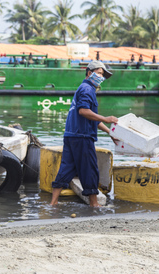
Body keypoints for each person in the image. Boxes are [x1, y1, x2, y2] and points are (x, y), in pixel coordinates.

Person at [50, 60, 119, 207]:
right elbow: (84, 111)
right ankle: (94, 204)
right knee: (89, 169)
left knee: (67, 168)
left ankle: (53, 203)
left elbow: (91, 118)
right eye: (99, 73)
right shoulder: (87, 89)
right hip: (82, 136)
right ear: (89, 73)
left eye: (103, 75)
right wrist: (107, 119)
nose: (101, 77)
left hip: (71, 135)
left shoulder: (84, 88)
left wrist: (109, 132)